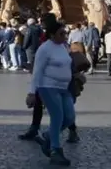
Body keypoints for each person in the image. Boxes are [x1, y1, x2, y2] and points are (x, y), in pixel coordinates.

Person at [28, 22, 75, 166]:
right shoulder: (44, 49)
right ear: (51, 34)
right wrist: (31, 92)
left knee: (69, 117)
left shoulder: (63, 46)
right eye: (61, 33)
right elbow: (37, 71)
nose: (65, 36)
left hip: (64, 87)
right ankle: (55, 150)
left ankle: (48, 135)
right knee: (57, 116)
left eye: (65, 33)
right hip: (48, 86)